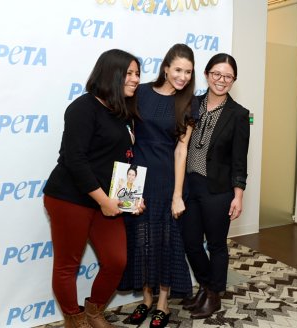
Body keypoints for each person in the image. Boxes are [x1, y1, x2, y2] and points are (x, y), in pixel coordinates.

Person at [43, 49, 144, 328]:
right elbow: (74, 160)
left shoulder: (122, 111)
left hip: (106, 201)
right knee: (67, 265)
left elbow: (122, 160)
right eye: (130, 73)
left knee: (116, 261)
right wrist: (103, 200)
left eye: (137, 73)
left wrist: (128, 199)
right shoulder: (82, 108)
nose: (136, 79)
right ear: (111, 73)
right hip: (69, 198)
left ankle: (94, 311)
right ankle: (74, 320)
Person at [118, 43, 197, 328]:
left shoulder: (189, 102)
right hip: (135, 177)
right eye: (178, 69)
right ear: (166, 67)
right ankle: (147, 299)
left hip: (167, 179)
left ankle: (163, 302)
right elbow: (126, 132)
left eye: (188, 71)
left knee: (166, 241)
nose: (183, 76)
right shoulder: (139, 92)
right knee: (140, 240)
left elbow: (181, 151)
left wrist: (178, 195)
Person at [179, 53, 250, 319]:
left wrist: (238, 196)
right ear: (207, 74)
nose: (221, 80)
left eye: (228, 77)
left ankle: (214, 295)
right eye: (216, 74)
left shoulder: (239, 115)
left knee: (217, 245)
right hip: (189, 186)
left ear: (233, 81)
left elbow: (239, 160)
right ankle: (207, 285)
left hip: (218, 190)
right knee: (191, 243)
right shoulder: (191, 104)